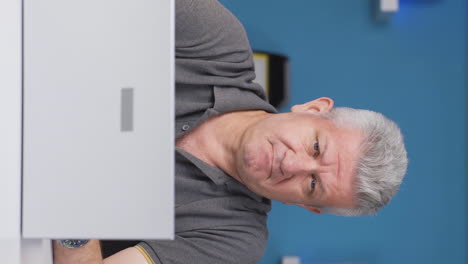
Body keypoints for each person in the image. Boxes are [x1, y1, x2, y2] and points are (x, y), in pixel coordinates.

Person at [53, 0, 408, 263]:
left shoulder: (235, 242)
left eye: (313, 185)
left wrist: (72, 193)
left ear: (306, 206)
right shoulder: (216, 38)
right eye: (316, 147)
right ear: (313, 109)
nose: (293, 165)